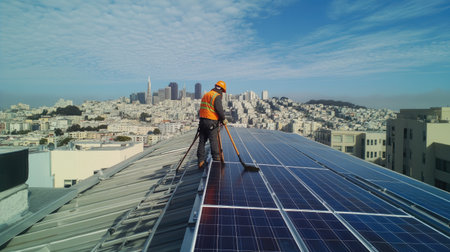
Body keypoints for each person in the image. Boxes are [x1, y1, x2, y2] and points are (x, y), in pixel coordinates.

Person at [197, 80, 228, 169]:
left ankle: (200, 161)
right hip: (211, 122)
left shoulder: (206, 94)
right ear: (221, 89)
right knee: (213, 140)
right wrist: (223, 119)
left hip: (202, 121)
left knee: (202, 142)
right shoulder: (216, 96)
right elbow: (219, 109)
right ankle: (216, 159)